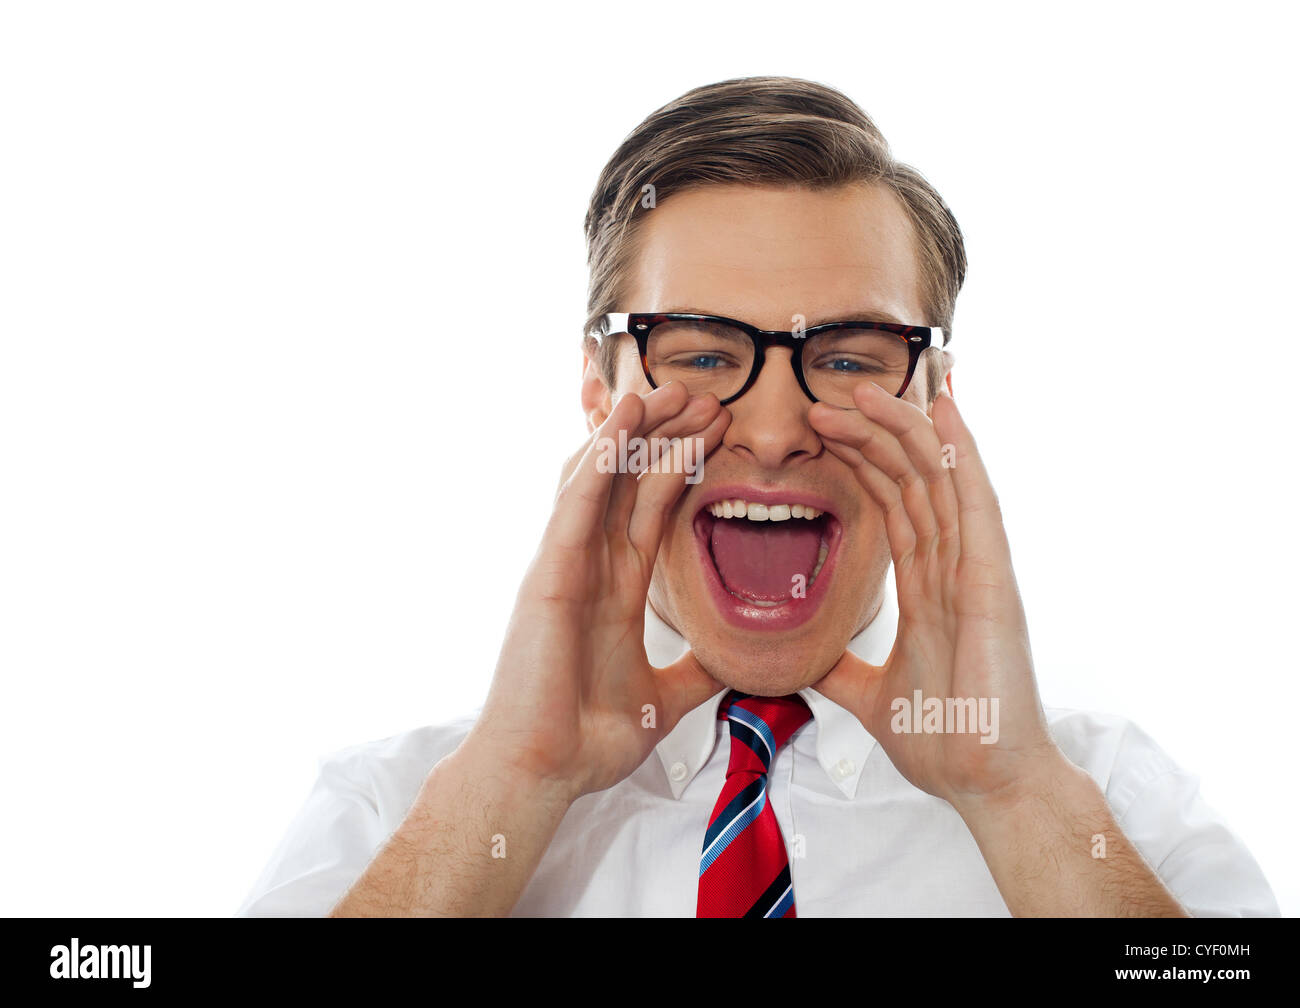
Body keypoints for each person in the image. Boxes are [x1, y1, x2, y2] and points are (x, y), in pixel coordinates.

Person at [236, 76, 1277, 917]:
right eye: (698, 351)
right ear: (600, 389)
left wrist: (1014, 799)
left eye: (849, 357)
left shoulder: (1108, 808)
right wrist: (510, 786)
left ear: (936, 396)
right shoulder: (390, 814)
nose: (774, 431)